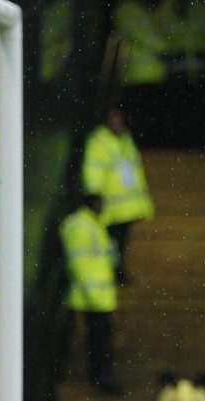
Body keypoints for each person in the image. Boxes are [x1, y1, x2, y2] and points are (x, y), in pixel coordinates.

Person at [81, 107, 155, 284]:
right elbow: (93, 168)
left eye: (119, 118)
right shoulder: (99, 141)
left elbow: (135, 169)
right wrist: (95, 195)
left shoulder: (125, 139)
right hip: (110, 204)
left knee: (121, 241)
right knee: (110, 242)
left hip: (126, 205)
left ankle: (117, 270)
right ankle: (113, 272)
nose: (117, 122)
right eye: (113, 118)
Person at [61, 194, 123, 395]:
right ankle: (99, 375)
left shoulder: (93, 224)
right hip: (92, 297)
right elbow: (80, 264)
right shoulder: (81, 226)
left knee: (100, 338)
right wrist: (94, 294)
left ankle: (100, 374)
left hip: (100, 296)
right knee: (98, 339)